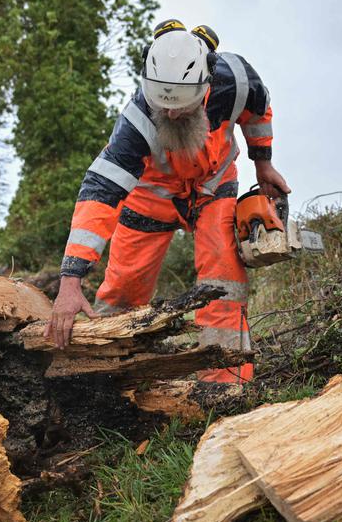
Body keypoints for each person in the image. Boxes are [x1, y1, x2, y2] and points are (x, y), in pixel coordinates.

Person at [44, 19, 289, 383]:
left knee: (223, 282)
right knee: (123, 291)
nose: (171, 114)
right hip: (149, 199)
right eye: (165, 106)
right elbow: (100, 193)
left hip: (212, 187)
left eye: (181, 108)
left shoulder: (236, 80)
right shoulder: (137, 121)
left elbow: (258, 111)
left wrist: (263, 163)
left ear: (205, 87)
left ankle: (227, 383)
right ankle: (110, 378)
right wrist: (70, 280)